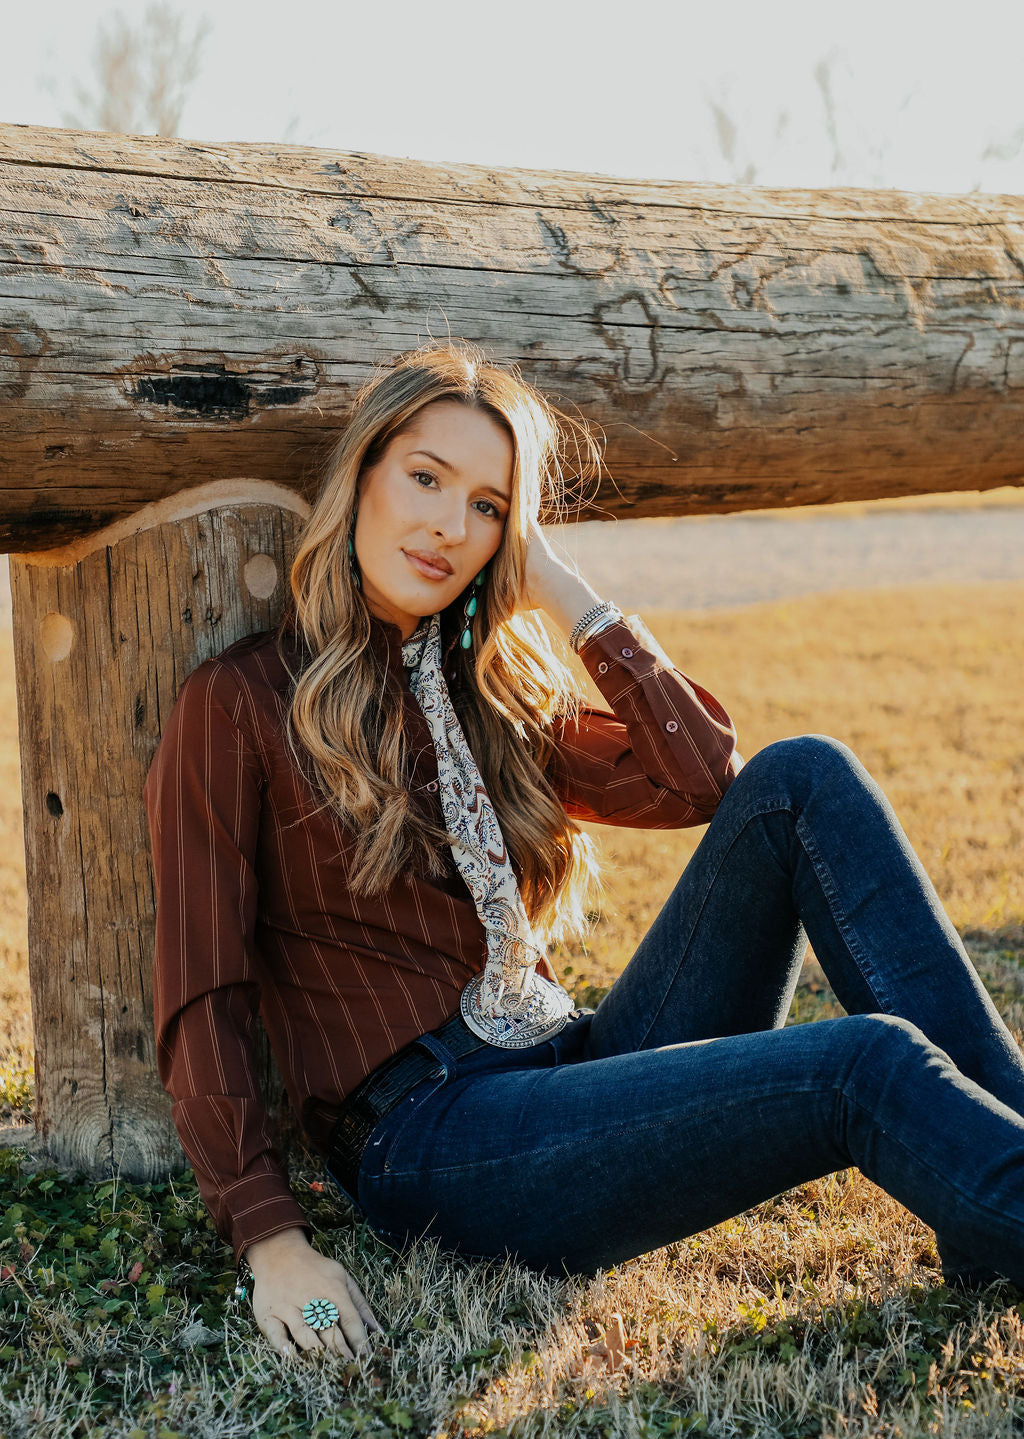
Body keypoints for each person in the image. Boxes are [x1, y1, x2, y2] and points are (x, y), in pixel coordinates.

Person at [144, 339, 1024, 1363]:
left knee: (804, 778)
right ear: (362, 477)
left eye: (485, 506)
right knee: (861, 1064)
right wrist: (274, 1245)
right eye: (425, 478)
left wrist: (566, 595)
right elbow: (202, 992)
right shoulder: (241, 704)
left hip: (575, 1064)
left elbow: (700, 782)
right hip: (437, 1139)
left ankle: (994, 1200)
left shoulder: (489, 691)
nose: (446, 525)